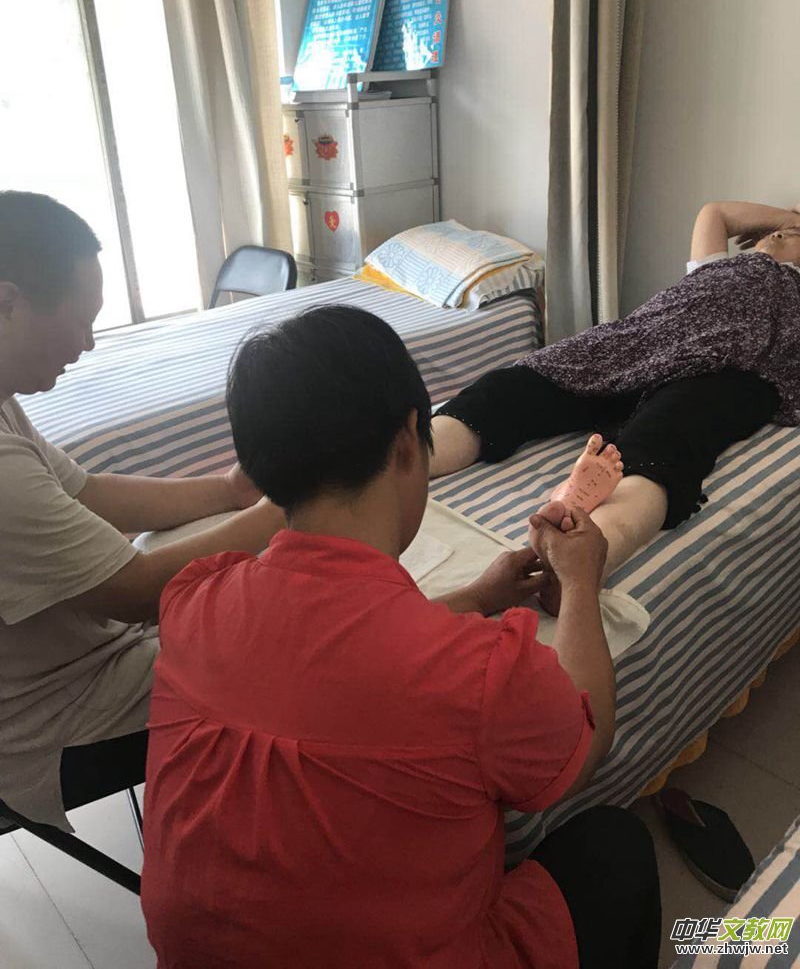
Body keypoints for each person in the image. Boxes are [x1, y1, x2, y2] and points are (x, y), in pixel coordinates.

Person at [141, 304, 661, 969]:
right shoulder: (480, 673)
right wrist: (582, 581)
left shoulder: (195, 600)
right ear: (408, 443)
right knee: (613, 844)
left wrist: (476, 598)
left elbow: (325, 661)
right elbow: (583, 741)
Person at [0, 191, 284, 830]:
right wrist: (283, 509)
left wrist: (230, 491)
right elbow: (135, 593)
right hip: (55, 714)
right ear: (8, 302)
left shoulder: (4, 402)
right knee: (292, 648)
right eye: (81, 322)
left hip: (81, 657)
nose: (88, 344)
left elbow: (84, 492)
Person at [431, 200, 800, 579]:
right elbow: (714, 213)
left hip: (733, 368)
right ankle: (407, 461)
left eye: (793, 235)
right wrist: (788, 220)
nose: (780, 234)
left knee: (665, 438)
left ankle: (583, 560)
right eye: (779, 230)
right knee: (514, 386)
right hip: (637, 342)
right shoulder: (716, 267)